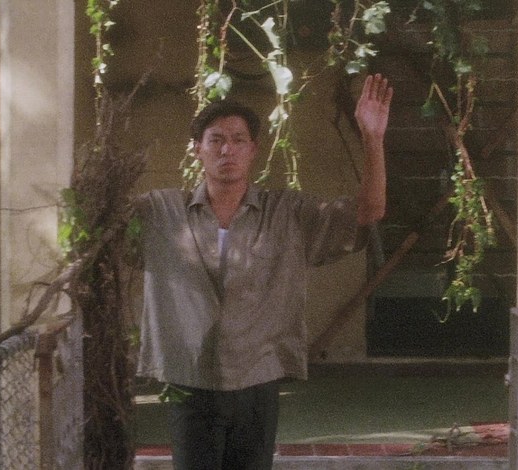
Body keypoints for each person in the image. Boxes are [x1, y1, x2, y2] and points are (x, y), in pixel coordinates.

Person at [134, 74, 393, 469]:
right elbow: (95, 220)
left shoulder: (286, 213)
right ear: (197, 150)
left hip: (257, 379)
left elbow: (369, 210)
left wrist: (373, 138)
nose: (227, 150)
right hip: (189, 380)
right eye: (216, 140)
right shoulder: (162, 212)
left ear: (253, 150)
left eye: (238, 140)